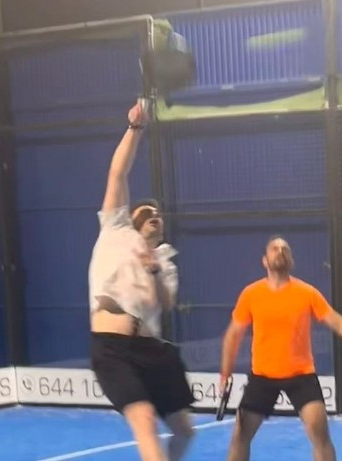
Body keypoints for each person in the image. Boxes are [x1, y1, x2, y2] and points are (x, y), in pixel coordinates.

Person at [89, 99, 195, 461]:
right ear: (129, 217)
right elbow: (117, 174)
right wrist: (135, 128)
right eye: (146, 211)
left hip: (153, 349)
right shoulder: (114, 230)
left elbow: (165, 302)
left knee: (185, 431)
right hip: (113, 347)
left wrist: (153, 268)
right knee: (144, 419)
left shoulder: (164, 261)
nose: (154, 215)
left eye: (158, 214)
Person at [220, 235, 342, 461]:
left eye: (285, 248)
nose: (280, 251)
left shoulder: (307, 293)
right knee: (240, 434)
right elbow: (232, 336)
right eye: (275, 248)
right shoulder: (251, 294)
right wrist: (225, 374)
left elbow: (335, 321)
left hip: (301, 376)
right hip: (262, 377)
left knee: (320, 431)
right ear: (264, 260)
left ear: (292, 261)